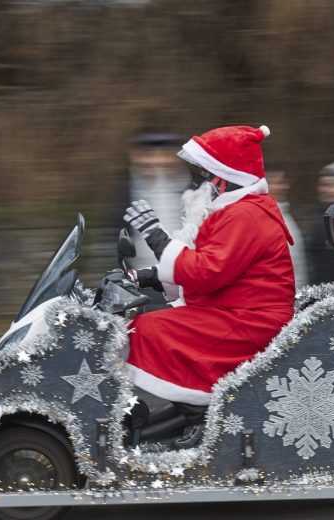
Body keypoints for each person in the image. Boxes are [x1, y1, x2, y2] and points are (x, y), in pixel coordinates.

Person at [122, 125, 295, 406]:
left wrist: (156, 236)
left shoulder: (246, 215)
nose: (203, 185)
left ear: (226, 178)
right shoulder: (237, 211)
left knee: (144, 330)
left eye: (208, 176)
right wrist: (148, 276)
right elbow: (210, 267)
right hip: (234, 311)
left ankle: (175, 412)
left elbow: (206, 271)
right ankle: (175, 412)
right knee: (148, 322)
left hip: (249, 322)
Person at [121, 133, 190, 268]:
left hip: (184, 272)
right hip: (138, 275)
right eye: (148, 155)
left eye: (164, 155)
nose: (157, 161)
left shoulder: (193, 189)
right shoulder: (124, 191)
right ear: (134, 156)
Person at [267, 170, 308, 289]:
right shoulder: (263, 217)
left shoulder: (285, 213)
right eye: (273, 183)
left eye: (281, 182)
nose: (281, 187)